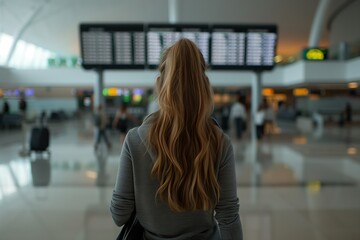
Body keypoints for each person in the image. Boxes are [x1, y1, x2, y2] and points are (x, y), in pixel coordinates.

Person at [111, 39, 242, 239]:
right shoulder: (220, 142)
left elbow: (119, 214)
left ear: (160, 85)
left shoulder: (135, 140)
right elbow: (228, 217)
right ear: (204, 86)